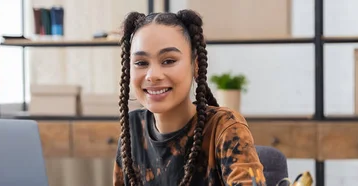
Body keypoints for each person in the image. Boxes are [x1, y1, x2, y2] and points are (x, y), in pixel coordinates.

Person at [113, 9, 267, 186]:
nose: (152, 75)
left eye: (168, 61)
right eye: (141, 63)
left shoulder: (226, 128)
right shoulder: (132, 129)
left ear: (196, 65)